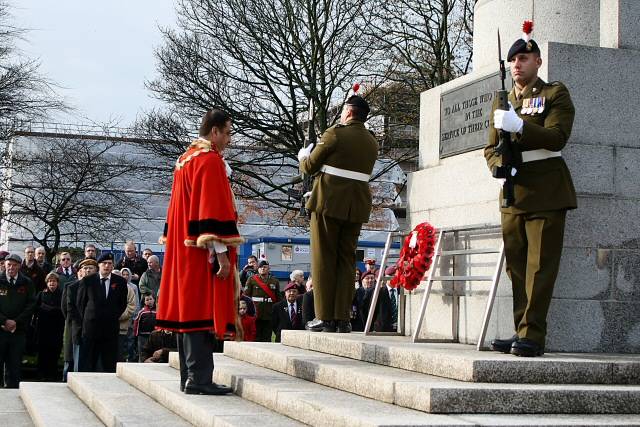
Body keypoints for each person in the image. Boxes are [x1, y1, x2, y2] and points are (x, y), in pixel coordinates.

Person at [485, 21, 576, 358]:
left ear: (538, 61)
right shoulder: (502, 100)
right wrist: (497, 164)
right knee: (517, 267)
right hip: (512, 192)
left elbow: (556, 138)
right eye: (514, 60)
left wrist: (520, 126)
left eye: (524, 58)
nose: (517, 64)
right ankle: (521, 327)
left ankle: (533, 335)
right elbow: (490, 146)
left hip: (547, 191)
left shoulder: (555, 94)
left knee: (540, 267)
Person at [155, 109, 241, 395]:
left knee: (188, 312)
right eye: (227, 133)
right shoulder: (209, 160)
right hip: (201, 249)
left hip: (183, 246)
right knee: (201, 313)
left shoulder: (184, 160)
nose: (229, 139)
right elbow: (211, 211)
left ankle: (189, 377)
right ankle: (199, 379)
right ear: (214, 131)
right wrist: (221, 255)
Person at [299, 94, 378, 333]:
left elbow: (310, 166)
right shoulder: (371, 141)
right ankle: (342, 318)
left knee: (323, 259)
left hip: (328, 203)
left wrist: (304, 155)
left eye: (344, 110)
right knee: (346, 261)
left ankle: (324, 316)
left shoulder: (335, 133)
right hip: (355, 206)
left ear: (350, 112)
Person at [76, 253, 128, 372]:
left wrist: (112, 315)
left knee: (109, 363)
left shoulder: (120, 282)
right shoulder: (88, 281)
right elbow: (81, 304)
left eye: (110, 264)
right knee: (88, 362)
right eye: (104, 263)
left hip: (110, 329)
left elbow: (122, 303)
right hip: (91, 329)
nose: (107, 266)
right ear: (99, 265)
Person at [0, 254, 36, 388]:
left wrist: (16, 322)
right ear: (4, 264)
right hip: (0, 330)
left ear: (20, 266)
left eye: (15, 265)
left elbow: (31, 305)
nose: (11, 267)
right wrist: (4, 321)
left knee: (14, 366)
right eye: (9, 264)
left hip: (18, 332)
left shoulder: (27, 282)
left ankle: (13, 394)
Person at [61, 258, 95, 379]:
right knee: (76, 362)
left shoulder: (100, 286)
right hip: (78, 328)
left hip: (95, 331)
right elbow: (68, 309)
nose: (88, 271)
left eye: (91, 268)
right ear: (80, 271)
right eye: (85, 268)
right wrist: (81, 324)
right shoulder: (72, 287)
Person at [34, 272, 65, 380]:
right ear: (47, 283)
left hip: (57, 329)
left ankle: (52, 374)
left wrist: (52, 309)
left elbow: (63, 310)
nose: (52, 283)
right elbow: (35, 308)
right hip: (43, 329)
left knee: (54, 352)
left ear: (57, 283)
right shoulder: (41, 294)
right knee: (43, 353)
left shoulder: (62, 294)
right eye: (50, 281)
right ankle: (41, 374)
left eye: (54, 281)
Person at [245, 260, 280, 342]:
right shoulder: (252, 279)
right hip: (256, 312)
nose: (262, 269)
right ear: (258, 269)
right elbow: (247, 296)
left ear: (269, 269)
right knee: (256, 335)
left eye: (264, 267)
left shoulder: (275, 281)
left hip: (269, 313)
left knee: (267, 336)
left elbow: (278, 297)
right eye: (260, 267)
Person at [134, 293, 156, 362]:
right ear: (144, 302)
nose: (149, 301)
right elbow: (136, 323)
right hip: (142, 336)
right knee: (142, 352)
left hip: (153, 336)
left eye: (150, 299)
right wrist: (136, 334)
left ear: (154, 300)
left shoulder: (158, 311)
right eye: (147, 300)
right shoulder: (142, 312)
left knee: (153, 353)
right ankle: (141, 365)